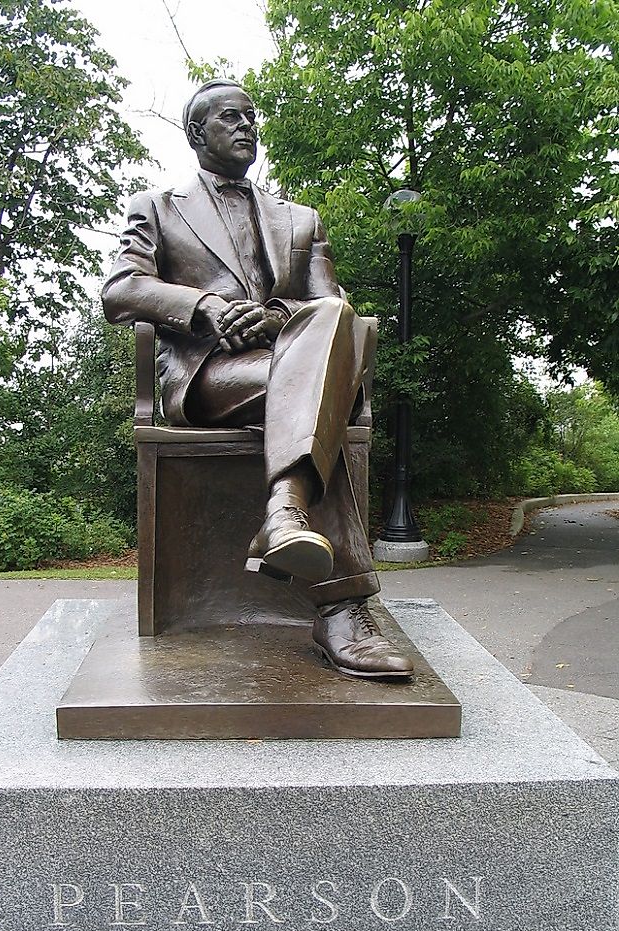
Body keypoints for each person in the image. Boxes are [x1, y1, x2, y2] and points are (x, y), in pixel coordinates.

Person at [102, 79, 413, 679]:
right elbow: (121, 290)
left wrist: (274, 318)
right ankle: (343, 607)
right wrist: (205, 309)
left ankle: (285, 512)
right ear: (197, 135)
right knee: (318, 397)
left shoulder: (299, 220)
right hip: (210, 375)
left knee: (331, 327)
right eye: (229, 118)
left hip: (289, 369)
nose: (247, 126)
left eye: (252, 116)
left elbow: (332, 310)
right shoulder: (159, 209)